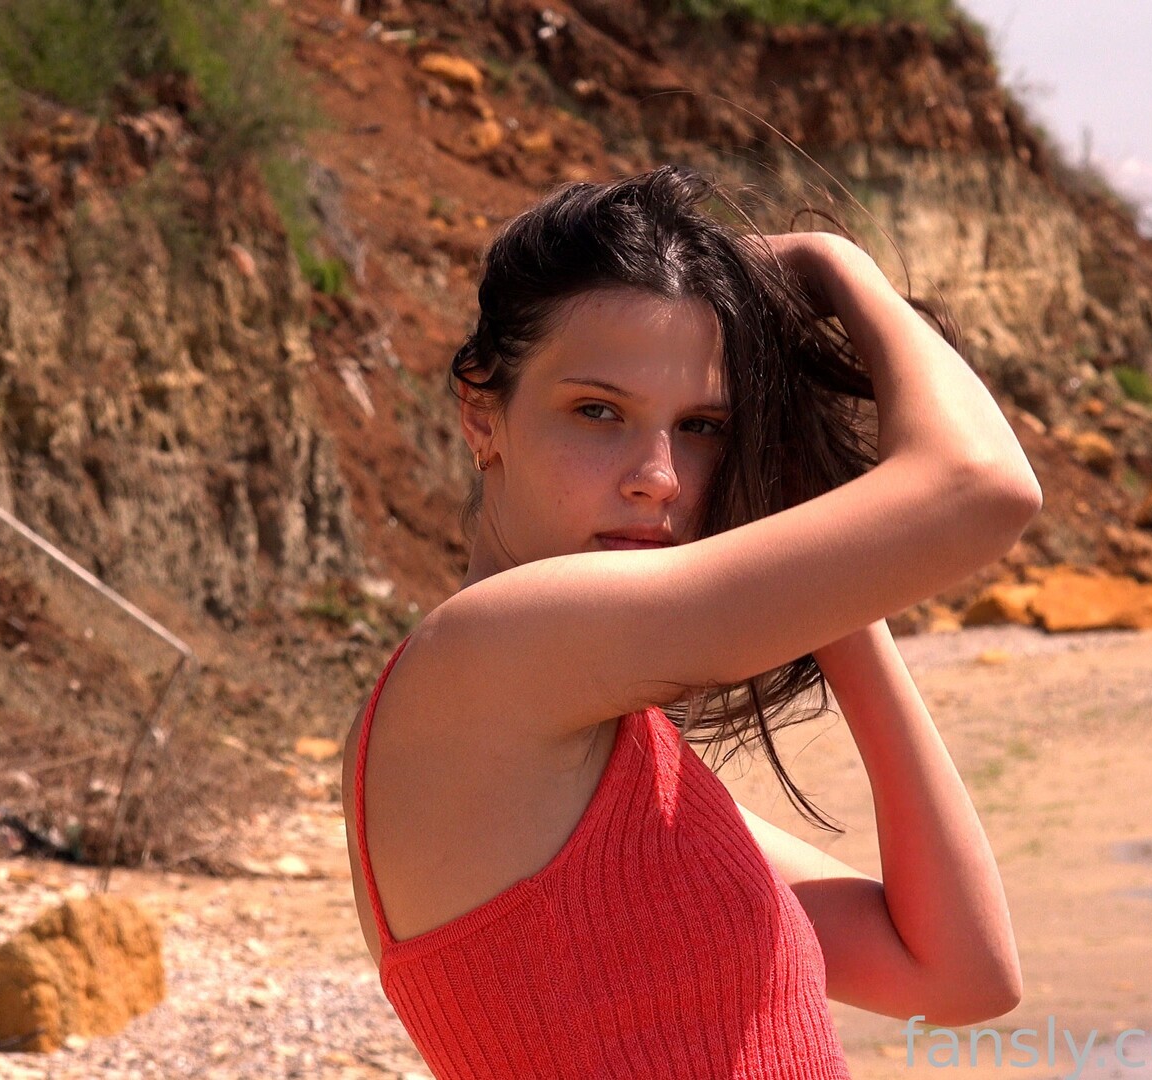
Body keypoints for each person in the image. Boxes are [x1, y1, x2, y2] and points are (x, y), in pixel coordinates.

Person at [342, 164, 1041, 1077]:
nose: (659, 477)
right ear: (481, 414)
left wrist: (819, 572)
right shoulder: (490, 654)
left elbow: (958, 973)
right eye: (598, 411)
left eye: (703, 427)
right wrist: (838, 266)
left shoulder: (588, 750)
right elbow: (985, 485)